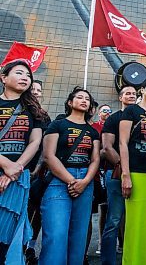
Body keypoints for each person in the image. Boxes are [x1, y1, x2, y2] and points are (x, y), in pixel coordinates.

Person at [39, 86, 100, 265]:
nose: (83, 100)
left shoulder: (92, 131)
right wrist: (72, 181)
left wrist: (85, 181)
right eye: (79, 97)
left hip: (85, 181)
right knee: (56, 234)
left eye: (87, 99)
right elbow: (48, 155)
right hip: (59, 180)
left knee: (79, 236)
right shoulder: (58, 124)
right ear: (70, 102)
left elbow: (95, 159)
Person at [0, 60, 45, 265]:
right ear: (3, 77)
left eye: (28, 75)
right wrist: (5, 165)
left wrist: (15, 169)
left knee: (7, 235)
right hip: (8, 170)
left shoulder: (33, 110)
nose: (25, 77)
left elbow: (35, 142)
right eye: (19, 73)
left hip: (18, 178)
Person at [119, 79, 146, 265]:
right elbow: (123, 143)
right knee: (136, 224)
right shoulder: (131, 111)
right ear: (142, 90)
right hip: (136, 173)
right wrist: (126, 175)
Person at [100, 85, 137, 265]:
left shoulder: (142, 116)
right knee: (114, 219)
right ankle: (108, 261)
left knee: (135, 220)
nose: (131, 95)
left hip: (140, 175)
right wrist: (125, 169)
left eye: (134, 93)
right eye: (127, 93)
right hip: (116, 175)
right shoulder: (113, 118)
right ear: (120, 98)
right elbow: (107, 147)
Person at [26, 80, 51, 265]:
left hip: (36, 173)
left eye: (38, 90)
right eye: (32, 89)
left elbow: (45, 146)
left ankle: (29, 248)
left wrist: (38, 167)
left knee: (35, 213)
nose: (35, 92)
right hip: (11, 170)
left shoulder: (44, 117)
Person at [91, 105, 112, 256]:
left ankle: (109, 242)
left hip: (110, 169)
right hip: (96, 171)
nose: (107, 113)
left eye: (110, 111)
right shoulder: (94, 127)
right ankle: (98, 242)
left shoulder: (113, 126)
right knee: (98, 208)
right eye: (105, 110)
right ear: (99, 113)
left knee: (110, 207)